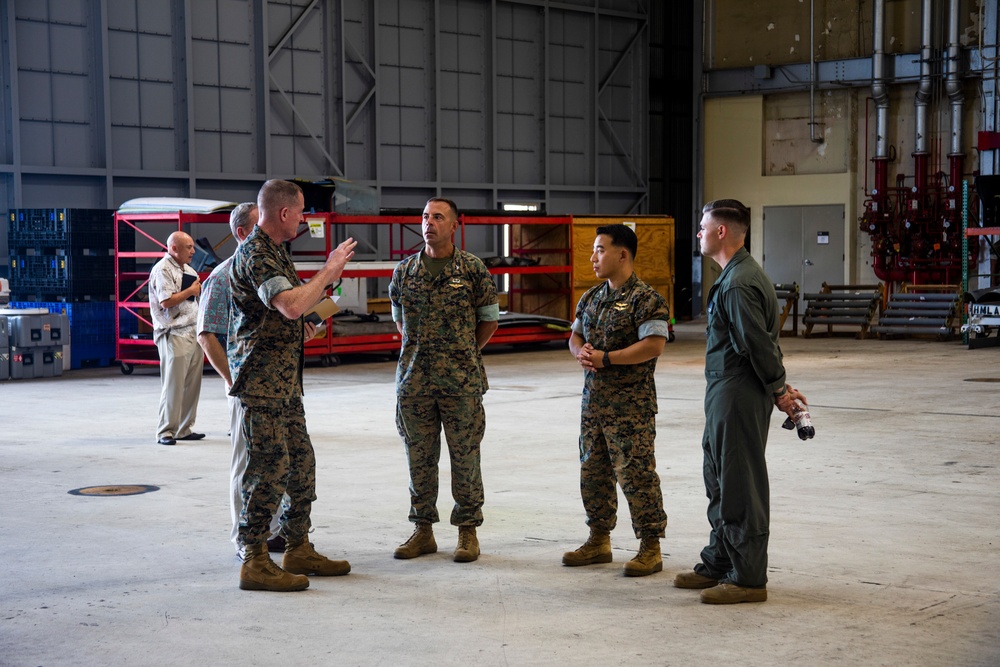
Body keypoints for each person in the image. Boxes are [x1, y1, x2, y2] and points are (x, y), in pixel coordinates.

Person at [673, 199, 808, 604]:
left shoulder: (737, 282)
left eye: (702, 226)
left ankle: (748, 577)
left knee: (740, 483)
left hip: (738, 390)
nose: (697, 233)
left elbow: (757, 344)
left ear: (720, 232)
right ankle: (721, 559)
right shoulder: (736, 275)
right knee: (719, 477)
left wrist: (780, 390)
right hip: (725, 390)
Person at [228, 179, 358, 592]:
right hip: (261, 383)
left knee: (301, 465)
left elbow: (289, 314)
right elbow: (290, 304)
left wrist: (308, 324)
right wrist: (330, 270)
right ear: (284, 213)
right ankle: (254, 559)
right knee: (267, 472)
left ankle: (298, 545)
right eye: (300, 213)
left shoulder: (277, 252)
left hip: (284, 382)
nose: (303, 220)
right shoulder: (256, 253)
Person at [389, 197, 499, 563]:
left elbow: (489, 321)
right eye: (424, 216)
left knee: (465, 458)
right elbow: (400, 322)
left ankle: (467, 532)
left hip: (461, 383)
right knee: (418, 458)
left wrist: (463, 351)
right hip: (414, 382)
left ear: (455, 225)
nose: (429, 223)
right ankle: (423, 530)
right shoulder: (404, 272)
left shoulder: (472, 270)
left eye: (437, 217)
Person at [563, 224, 671, 577]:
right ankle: (598, 539)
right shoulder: (592, 297)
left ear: (622, 254)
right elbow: (575, 336)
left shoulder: (647, 299)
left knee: (636, 474)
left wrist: (606, 358)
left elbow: (653, 345)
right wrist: (582, 353)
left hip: (631, 408)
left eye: (600, 250)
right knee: (592, 471)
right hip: (593, 405)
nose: (593, 257)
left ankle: (650, 546)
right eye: (593, 250)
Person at [197, 202, 285, 557]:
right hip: (246, 387)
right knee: (247, 462)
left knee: (277, 461)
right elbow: (207, 334)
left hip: (276, 385)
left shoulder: (270, 272)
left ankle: (273, 529)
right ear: (243, 233)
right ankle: (243, 537)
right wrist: (235, 381)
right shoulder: (223, 276)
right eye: (261, 227)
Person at [149, 231, 205, 446]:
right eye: (188, 247)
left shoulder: (188, 270)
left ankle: (184, 428)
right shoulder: (163, 270)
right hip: (174, 332)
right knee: (173, 383)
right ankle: (166, 430)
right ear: (174, 248)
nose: (193, 251)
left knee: (192, 383)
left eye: (192, 247)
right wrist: (191, 290)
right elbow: (166, 302)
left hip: (193, 330)